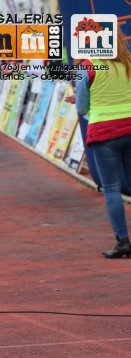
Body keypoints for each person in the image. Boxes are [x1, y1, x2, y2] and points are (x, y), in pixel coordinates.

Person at [69, 28, 131, 259]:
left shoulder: (87, 66)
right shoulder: (127, 62)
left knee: (112, 188)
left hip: (105, 133)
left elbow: (83, 107)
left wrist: (82, 100)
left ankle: (123, 242)